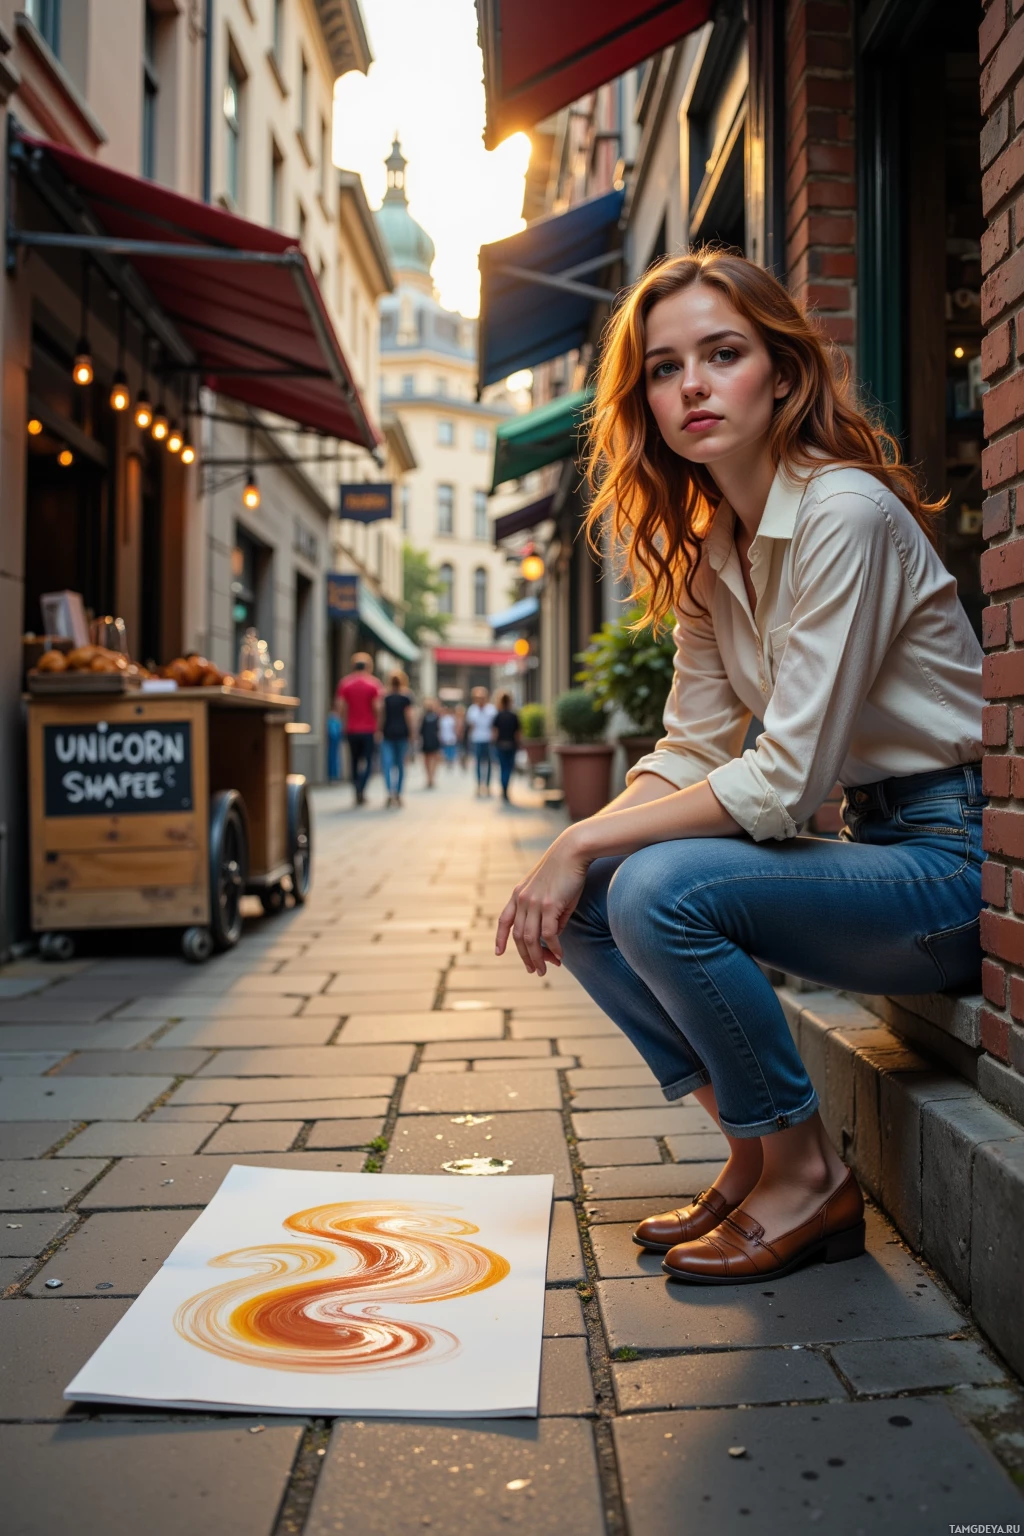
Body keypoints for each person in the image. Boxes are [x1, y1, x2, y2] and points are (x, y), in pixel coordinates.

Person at [495, 250, 983, 1287]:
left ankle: (809, 1178)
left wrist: (581, 834)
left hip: (950, 869)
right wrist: (573, 860)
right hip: (874, 852)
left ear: (782, 373)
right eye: (664, 369)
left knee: (658, 886)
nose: (693, 387)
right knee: (593, 901)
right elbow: (689, 748)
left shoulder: (841, 515)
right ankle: (757, 1154)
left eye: (723, 355)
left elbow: (778, 784)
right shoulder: (716, 548)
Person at [335, 652, 383, 806]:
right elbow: (377, 708)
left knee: (354, 761)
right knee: (368, 760)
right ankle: (362, 788)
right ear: (368, 666)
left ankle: (356, 788)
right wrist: (378, 727)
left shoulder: (345, 683)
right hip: (369, 729)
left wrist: (342, 723)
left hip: (351, 729)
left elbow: (340, 706)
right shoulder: (374, 684)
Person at [380, 670, 414, 807]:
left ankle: (390, 792)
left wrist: (378, 730)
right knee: (400, 765)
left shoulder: (385, 697)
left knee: (387, 765)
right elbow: (409, 717)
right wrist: (412, 733)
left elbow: (381, 715)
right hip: (402, 734)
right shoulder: (406, 697)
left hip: (387, 733)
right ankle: (398, 793)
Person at [465, 686, 497, 796]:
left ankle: (487, 786)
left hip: (488, 739)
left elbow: (494, 726)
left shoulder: (491, 709)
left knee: (488, 763)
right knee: (477, 763)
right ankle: (479, 785)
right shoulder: (472, 709)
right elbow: (471, 726)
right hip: (477, 739)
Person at [492, 691, 520, 803]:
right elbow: (518, 733)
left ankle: (503, 789)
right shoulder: (514, 716)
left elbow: (495, 733)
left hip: (500, 744)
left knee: (503, 768)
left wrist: (494, 743)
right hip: (511, 745)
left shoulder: (498, 716)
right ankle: (506, 790)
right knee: (508, 768)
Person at [420, 698, 442, 788]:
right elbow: (421, 730)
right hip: (426, 740)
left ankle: (432, 777)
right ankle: (428, 777)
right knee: (426, 759)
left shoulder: (437, 717)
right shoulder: (424, 717)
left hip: (434, 740)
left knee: (435, 758)